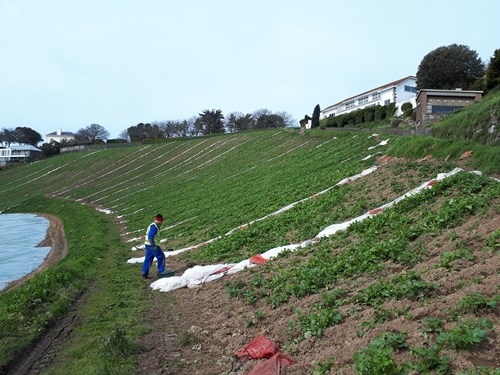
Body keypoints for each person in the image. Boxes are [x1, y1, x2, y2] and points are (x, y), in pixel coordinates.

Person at [142, 214, 166, 279]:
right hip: (152, 245)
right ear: (160, 220)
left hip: (148, 245)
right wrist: (153, 245)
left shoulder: (152, 225)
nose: (162, 222)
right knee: (161, 257)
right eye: (161, 221)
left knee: (148, 258)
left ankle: (144, 273)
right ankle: (161, 272)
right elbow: (150, 237)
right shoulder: (154, 227)